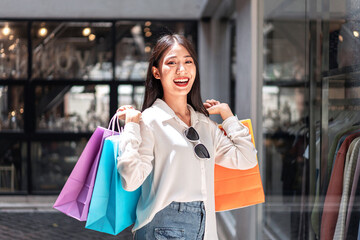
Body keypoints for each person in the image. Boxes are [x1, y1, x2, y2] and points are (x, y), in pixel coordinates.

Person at [116, 33, 258, 240]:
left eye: (188, 61)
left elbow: (247, 159)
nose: (181, 70)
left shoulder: (204, 123)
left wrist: (228, 117)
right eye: (171, 62)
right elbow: (130, 180)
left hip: (205, 227)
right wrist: (131, 126)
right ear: (157, 72)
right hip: (163, 226)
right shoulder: (150, 121)